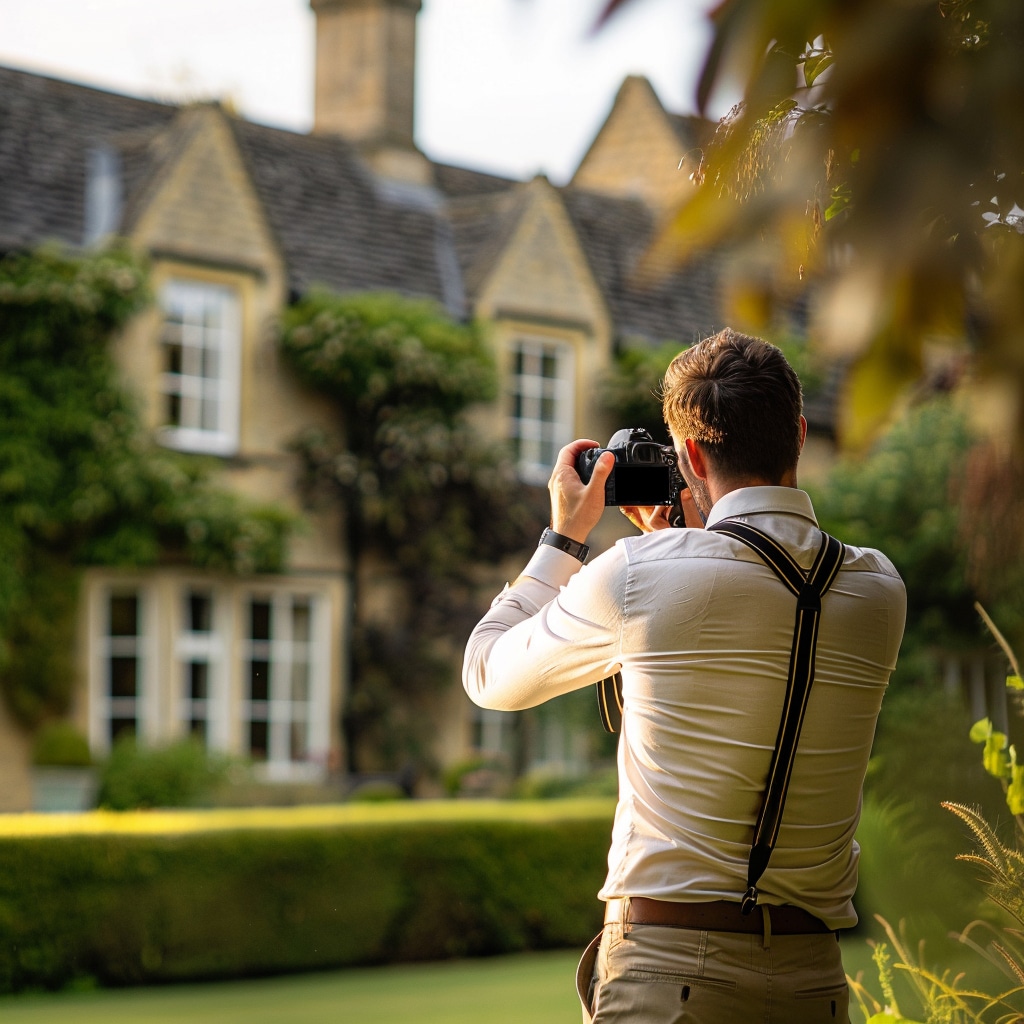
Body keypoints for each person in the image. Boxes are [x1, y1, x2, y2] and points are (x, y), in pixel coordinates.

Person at [462, 328, 906, 1024]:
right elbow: (755, 598)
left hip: (668, 975)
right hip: (812, 981)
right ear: (798, 433)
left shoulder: (640, 574)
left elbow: (489, 674)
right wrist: (685, 541)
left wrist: (563, 541)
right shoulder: (880, 589)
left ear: (691, 454)